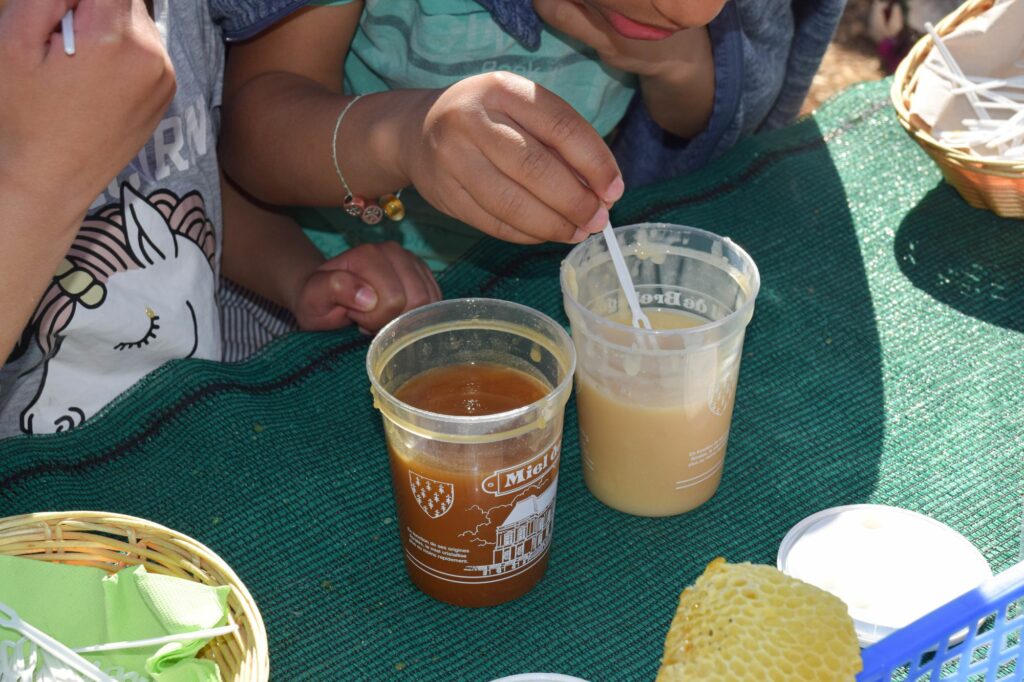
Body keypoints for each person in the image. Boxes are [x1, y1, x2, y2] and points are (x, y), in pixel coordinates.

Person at [0, 0, 439, 437]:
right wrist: (39, 182)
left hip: (198, 423)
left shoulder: (183, 16)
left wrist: (300, 278)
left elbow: (203, 186)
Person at [218, 0, 845, 273]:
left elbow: (690, 122)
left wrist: (677, 64)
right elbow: (248, 132)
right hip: (323, 283)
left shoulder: (676, 18)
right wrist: (402, 137)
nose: (692, 14)